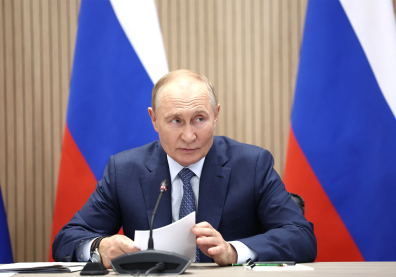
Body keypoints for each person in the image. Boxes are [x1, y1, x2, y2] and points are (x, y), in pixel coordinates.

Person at [53, 69, 317, 267]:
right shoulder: (124, 171)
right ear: (154, 120)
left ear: (216, 116)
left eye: (199, 119)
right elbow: (66, 240)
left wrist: (233, 251)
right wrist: (101, 247)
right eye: (176, 121)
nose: (189, 136)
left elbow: (301, 237)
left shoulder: (252, 165)